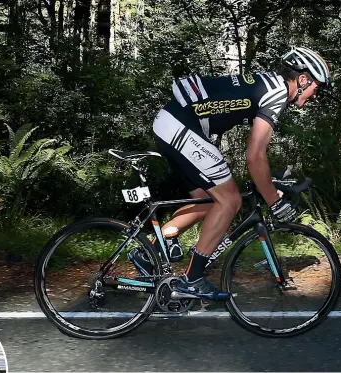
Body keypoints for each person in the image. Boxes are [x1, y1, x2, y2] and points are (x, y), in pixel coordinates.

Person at [133, 46, 331, 297]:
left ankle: (147, 252)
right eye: (317, 87)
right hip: (180, 125)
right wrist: (274, 202)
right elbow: (254, 156)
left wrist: (268, 184)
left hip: (171, 123)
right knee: (230, 200)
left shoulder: (268, 84)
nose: (315, 95)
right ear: (303, 79)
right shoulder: (277, 93)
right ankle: (192, 280)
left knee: (208, 202)